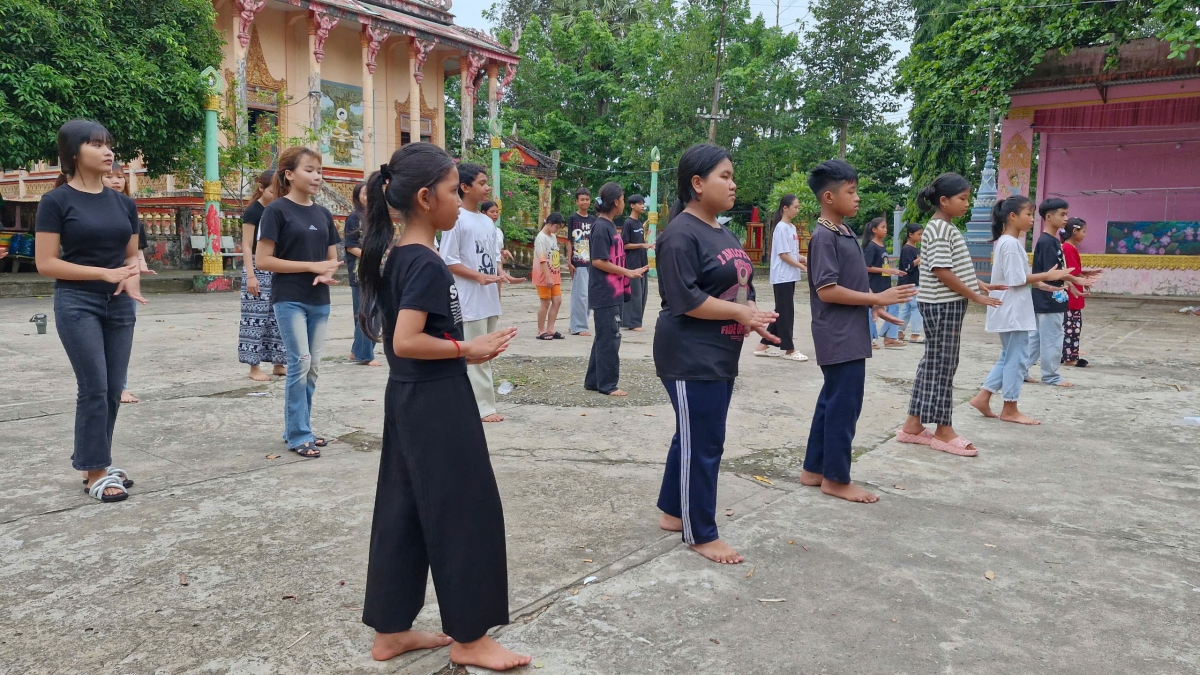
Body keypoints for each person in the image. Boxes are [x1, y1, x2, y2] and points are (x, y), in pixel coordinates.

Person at [356, 142, 529, 671]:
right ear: (427, 198)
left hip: (410, 397)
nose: (461, 200)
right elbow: (405, 340)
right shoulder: (425, 262)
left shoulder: (398, 254)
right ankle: (471, 637)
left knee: (403, 512)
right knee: (465, 511)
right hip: (435, 397)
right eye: (455, 190)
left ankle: (390, 631)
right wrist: (466, 348)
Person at [654, 144, 779, 565]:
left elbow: (739, 281)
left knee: (693, 436)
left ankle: (674, 511)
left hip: (721, 352)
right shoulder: (679, 235)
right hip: (689, 354)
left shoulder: (724, 232)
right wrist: (740, 311)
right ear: (697, 183)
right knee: (705, 443)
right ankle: (701, 532)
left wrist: (753, 316)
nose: (733, 183)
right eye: (724, 176)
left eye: (731, 175)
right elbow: (684, 298)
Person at [35, 119, 146, 503]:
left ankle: (94, 462)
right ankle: (96, 471)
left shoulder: (124, 203)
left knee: (114, 388)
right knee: (95, 386)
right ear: (73, 152)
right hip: (76, 301)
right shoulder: (56, 201)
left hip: (118, 303)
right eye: (96, 144)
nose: (108, 151)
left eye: (109, 144)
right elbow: (46, 263)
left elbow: (131, 254)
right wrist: (102, 272)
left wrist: (131, 279)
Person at [800, 159, 916, 503]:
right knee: (844, 405)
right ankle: (836, 478)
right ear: (828, 197)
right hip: (837, 332)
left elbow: (850, 281)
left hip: (850, 328)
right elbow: (827, 290)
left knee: (832, 401)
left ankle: (814, 469)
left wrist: (874, 305)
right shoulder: (823, 236)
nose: (857, 198)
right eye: (851, 192)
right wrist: (875, 295)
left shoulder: (844, 232)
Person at [897, 173, 1003, 456]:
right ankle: (944, 430)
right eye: (963, 198)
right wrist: (976, 296)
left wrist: (978, 283)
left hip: (942, 304)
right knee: (943, 366)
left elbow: (951, 266)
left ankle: (913, 424)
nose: (967, 204)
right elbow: (941, 272)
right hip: (943, 305)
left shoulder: (940, 227)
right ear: (944, 201)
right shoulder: (941, 228)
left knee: (934, 363)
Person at [255, 146, 343, 458]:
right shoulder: (276, 211)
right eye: (309, 170)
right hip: (289, 298)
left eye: (319, 170)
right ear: (289, 174)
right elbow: (263, 260)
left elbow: (332, 257)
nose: (317, 176)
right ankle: (298, 434)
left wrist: (326, 271)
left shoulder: (323, 214)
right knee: (300, 363)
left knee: (313, 367)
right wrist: (310, 267)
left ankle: (298, 425)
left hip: (319, 299)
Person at [969, 196, 1074, 424]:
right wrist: (1048, 275)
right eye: (1028, 214)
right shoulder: (1010, 243)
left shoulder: (1009, 243)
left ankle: (983, 397)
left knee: (1009, 356)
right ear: (1013, 216)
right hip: (1012, 310)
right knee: (1017, 358)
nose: (1031, 220)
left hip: (1009, 308)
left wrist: (1043, 284)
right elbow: (1016, 279)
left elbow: (1016, 277)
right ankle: (1010, 408)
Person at [440, 163, 521, 423]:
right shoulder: (456, 219)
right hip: (469, 298)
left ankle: (476, 404)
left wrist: (501, 274)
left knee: (486, 353)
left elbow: (492, 259)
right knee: (473, 354)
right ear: (464, 187)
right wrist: (478, 277)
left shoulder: (488, 222)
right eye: (482, 183)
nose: (487, 188)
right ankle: (483, 408)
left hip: (488, 298)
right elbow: (448, 260)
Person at [1022, 198, 1095, 387]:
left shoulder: (1052, 242)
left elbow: (1059, 274)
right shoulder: (1047, 243)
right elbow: (1052, 274)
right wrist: (1076, 280)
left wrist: (1073, 288)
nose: (1066, 218)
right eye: (1062, 214)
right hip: (1049, 299)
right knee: (1052, 339)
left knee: (1037, 340)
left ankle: (1020, 370)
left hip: (1047, 298)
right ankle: (1051, 376)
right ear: (1049, 216)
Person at [586, 183, 648, 397]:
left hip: (614, 290)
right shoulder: (602, 227)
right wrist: (627, 272)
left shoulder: (610, 225)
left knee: (604, 335)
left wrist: (628, 272)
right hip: (605, 291)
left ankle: (593, 381)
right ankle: (608, 384)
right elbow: (598, 261)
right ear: (616, 202)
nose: (624, 201)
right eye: (622, 198)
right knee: (610, 337)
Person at [103, 161, 153, 404]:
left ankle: (120, 387)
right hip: (96, 280)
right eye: (110, 176)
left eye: (120, 177)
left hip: (126, 280)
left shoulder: (128, 207)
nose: (116, 181)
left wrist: (139, 270)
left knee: (120, 343)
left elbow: (136, 251)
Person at [238, 169, 289, 381]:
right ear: (261, 189)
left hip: (276, 269)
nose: (275, 194)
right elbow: (247, 246)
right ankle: (254, 366)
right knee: (255, 320)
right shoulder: (253, 212)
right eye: (271, 190)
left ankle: (279, 362)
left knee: (278, 319)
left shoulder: (278, 210)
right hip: (257, 270)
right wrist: (251, 276)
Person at [754, 193, 808, 361]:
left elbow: (793, 253)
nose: (798, 210)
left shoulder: (791, 228)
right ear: (785, 208)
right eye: (796, 207)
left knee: (781, 311)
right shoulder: (781, 228)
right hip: (782, 276)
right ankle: (789, 349)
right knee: (786, 313)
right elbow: (783, 255)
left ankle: (763, 346)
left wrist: (806, 260)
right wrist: (803, 268)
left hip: (790, 275)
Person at [344, 181, 380, 366]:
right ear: (357, 197)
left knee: (372, 311)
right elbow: (351, 246)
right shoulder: (354, 218)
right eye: (365, 194)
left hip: (375, 271)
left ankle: (356, 351)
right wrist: (372, 257)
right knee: (367, 313)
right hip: (361, 272)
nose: (369, 197)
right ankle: (365, 355)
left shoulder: (373, 218)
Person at [862, 216, 905, 348]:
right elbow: (866, 267)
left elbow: (882, 266)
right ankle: (868, 340)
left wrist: (893, 271)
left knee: (894, 306)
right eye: (883, 227)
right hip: (873, 285)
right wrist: (887, 271)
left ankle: (890, 337)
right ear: (874, 230)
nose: (886, 230)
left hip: (884, 283)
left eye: (886, 227)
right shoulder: (871, 246)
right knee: (870, 312)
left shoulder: (882, 246)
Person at [1060, 217, 1094, 367]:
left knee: (1069, 326)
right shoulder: (1068, 248)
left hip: (1071, 293)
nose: (1085, 235)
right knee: (1072, 327)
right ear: (1075, 231)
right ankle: (1070, 358)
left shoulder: (1068, 248)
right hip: (1071, 295)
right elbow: (1072, 272)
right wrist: (1083, 279)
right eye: (1084, 231)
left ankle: (1067, 354)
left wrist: (1084, 276)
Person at [620, 194, 652, 331]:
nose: (643, 206)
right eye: (640, 203)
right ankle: (634, 323)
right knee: (635, 295)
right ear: (632, 206)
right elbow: (624, 245)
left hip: (642, 263)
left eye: (643, 203)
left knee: (643, 295)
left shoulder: (640, 223)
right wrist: (642, 245)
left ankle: (634, 321)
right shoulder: (628, 223)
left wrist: (646, 244)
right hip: (632, 265)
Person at [566, 188, 596, 336]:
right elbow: (569, 241)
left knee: (589, 295)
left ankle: (575, 324)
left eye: (587, 199)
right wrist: (569, 260)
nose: (585, 202)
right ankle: (579, 326)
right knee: (581, 295)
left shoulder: (593, 220)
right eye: (582, 199)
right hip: (578, 261)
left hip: (591, 262)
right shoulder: (573, 219)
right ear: (577, 201)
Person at [534, 212, 565, 340]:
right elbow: (542, 259)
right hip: (543, 275)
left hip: (554, 274)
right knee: (545, 303)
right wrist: (547, 276)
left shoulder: (552, 237)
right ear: (550, 224)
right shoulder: (541, 238)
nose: (557, 230)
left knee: (557, 301)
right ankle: (541, 330)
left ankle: (550, 328)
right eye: (557, 227)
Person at [897, 223, 924, 342]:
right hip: (909, 282)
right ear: (910, 235)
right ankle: (915, 334)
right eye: (919, 234)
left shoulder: (913, 248)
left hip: (911, 281)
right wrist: (919, 259)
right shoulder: (907, 249)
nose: (921, 237)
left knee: (907, 308)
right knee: (917, 307)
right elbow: (907, 266)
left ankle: (899, 331)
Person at [480, 199, 514, 266]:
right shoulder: (478, 230)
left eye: (497, 212)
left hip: (497, 267)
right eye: (492, 212)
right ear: (484, 213)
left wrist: (502, 252)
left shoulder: (498, 231)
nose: (495, 214)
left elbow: (497, 250)